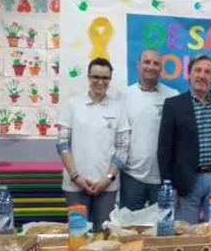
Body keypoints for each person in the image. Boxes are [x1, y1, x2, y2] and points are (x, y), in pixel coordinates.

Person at [157, 55, 211, 224]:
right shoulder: (173, 105)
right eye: (198, 70)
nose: (202, 75)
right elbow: (165, 147)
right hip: (187, 180)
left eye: (207, 72)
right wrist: (168, 182)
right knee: (187, 233)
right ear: (189, 75)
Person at [56, 58, 131, 231]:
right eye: (96, 77)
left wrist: (108, 178)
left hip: (107, 186)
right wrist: (76, 177)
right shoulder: (73, 104)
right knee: (78, 233)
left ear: (110, 80)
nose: (100, 82)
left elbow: (123, 148)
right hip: (74, 184)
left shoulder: (118, 108)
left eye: (105, 78)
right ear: (88, 77)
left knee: (103, 234)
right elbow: (62, 143)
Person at [120, 49, 179, 210]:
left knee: (162, 229)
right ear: (138, 65)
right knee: (129, 228)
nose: (151, 67)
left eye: (156, 63)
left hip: (163, 178)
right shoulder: (125, 96)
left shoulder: (172, 96)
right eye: (147, 62)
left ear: (161, 69)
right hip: (132, 176)